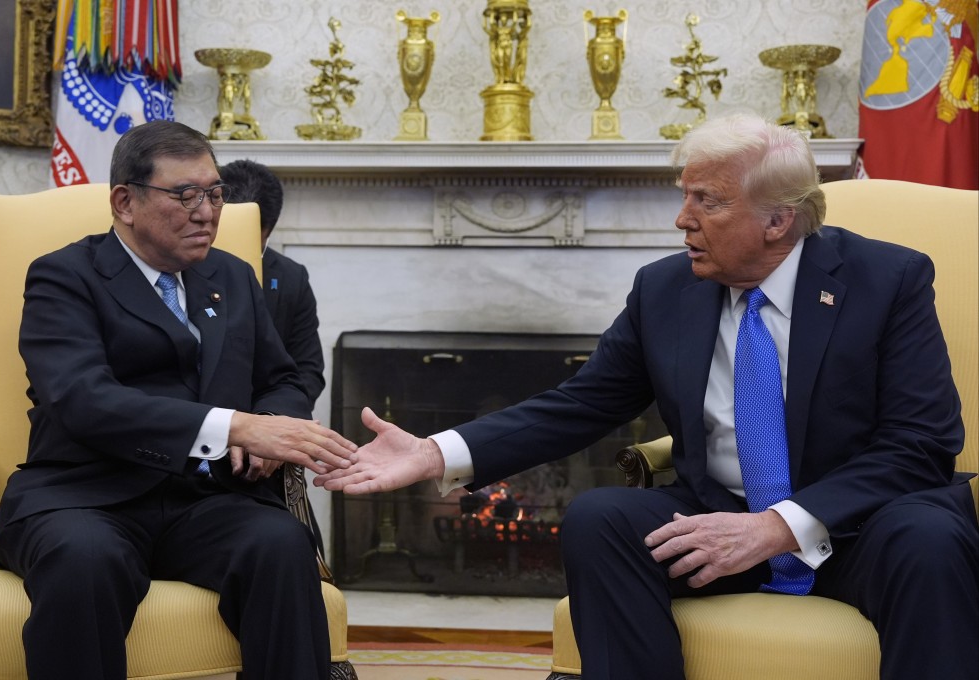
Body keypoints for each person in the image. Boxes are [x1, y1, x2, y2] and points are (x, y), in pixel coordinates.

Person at [316, 114, 979, 680]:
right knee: (601, 520)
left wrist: (777, 527)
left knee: (930, 539)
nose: (682, 220)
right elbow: (580, 405)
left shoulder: (886, 280)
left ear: (778, 220)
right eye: (683, 196)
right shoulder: (665, 290)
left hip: (857, 528)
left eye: (706, 201)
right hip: (715, 522)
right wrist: (436, 453)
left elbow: (921, 446)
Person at [0, 120, 356, 680]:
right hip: (87, 495)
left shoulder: (231, 276)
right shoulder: (65, 276)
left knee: (280, 543)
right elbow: (83, 398)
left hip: (206, 501)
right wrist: (234, 427)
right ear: (124, 202)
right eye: (185, 195)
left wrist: (274, 425)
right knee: (84, 560)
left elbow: (282, 377)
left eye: (214, 194)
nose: (207, 211)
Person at [218, 158, 328, 565]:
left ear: (269, 228)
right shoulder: (179, 265)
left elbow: (306, 372)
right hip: (195, 437)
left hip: (263, 455)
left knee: (295, 550)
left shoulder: (291, 278)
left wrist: (271, 424)